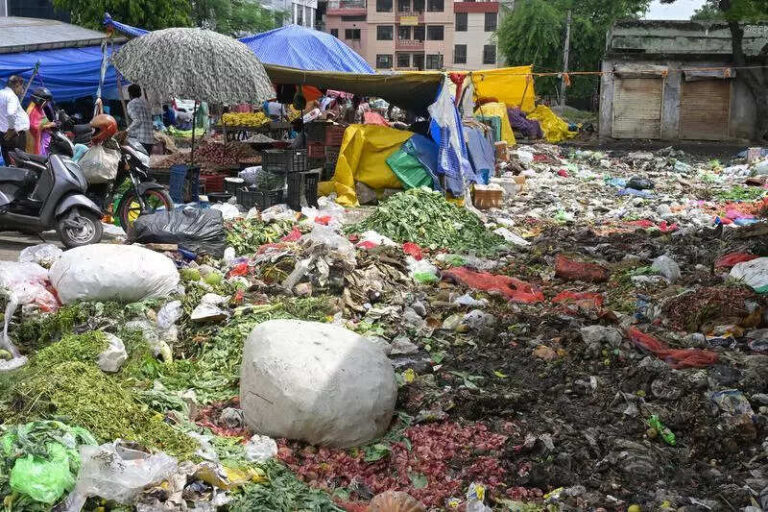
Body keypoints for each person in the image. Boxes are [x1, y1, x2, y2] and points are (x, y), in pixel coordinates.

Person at [0, 76, 29, 165]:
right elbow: (11, 113)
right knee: (19, 162)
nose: (21, 90)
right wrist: (11, 128)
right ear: (17, 85)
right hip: (14, 135)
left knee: (8, 160)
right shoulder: (11, 96)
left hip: (3, 134)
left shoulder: (1, 93)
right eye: (21, 87)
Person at [25, 87, 56, 156]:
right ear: (41, 101)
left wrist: (51, 123)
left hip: (41, 138)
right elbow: (34, 127)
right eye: (46, 102)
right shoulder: (33, 110)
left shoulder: (40, 109)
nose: (47, 104)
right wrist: (48, 125)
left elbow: (43, 120)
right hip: (33, 139)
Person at [126, 84, 154, 153]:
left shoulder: (131, 104)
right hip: (150, 140)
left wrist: (126, 131)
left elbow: (137, 121)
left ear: (130, 94)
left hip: (140, 140)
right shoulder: (146, 103)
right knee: (146, 159)